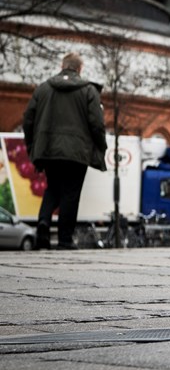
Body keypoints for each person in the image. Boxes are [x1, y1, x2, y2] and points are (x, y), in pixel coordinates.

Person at [22, 52, 107, 250]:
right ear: (79, 69)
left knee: (52, 188)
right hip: (77, 153)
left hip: (49, 149)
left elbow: (28, 120)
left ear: (62, 66)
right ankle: (64, 240)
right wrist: (100, 147)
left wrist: (33, 147)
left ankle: (43, 223)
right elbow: (97, 124)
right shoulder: (88, 91)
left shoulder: (43, 89)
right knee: (70, 193)